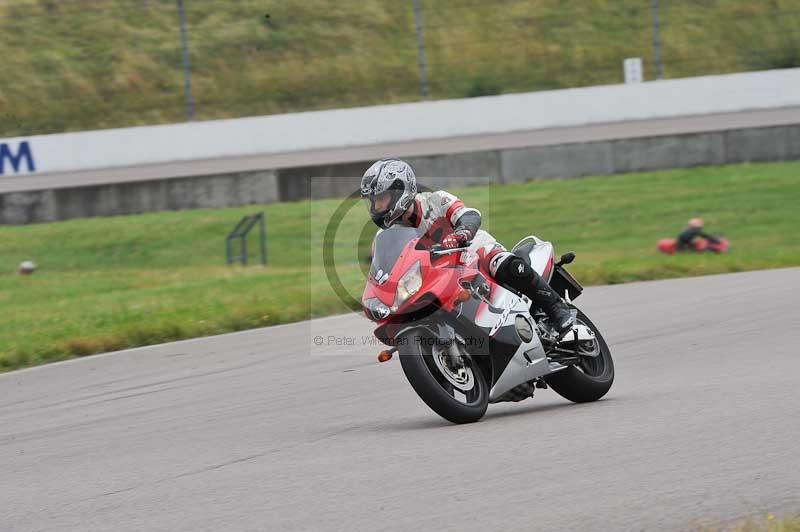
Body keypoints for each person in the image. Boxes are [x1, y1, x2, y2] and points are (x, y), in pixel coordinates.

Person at [360, 159, 574, 336]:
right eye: (373, 201)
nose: (376, 207)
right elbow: (385, 267)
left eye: (381, 199)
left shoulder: (435, 201)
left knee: (499, 261)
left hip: (471, 251)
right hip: (438, 277)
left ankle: (556, 308)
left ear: (400, 190)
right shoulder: (385, 235)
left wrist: (461, 233)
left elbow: (469, 215)